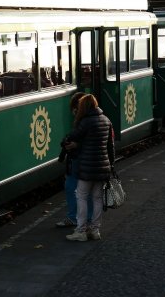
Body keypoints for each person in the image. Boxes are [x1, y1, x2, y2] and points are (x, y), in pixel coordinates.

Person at [64, 94, 114, 242]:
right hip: (102, 166)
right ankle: (95, 230)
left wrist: (70, 142)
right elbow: (110, 146)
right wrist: (111, 165)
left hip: (87, 166)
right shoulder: (106, 120)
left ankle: (80, 231)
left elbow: (71, 137)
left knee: (81, 196)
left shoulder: (85, 122)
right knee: (97, 198)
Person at [56, 92, 93, 228]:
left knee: (72, 187)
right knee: (84, 190)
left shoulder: (84, 121)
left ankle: (75, 218)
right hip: (85, 159)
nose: (73, 112)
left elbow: (92, 139)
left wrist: (76, 144)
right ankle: (86, 218)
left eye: (75, 109)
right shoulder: (94, 118)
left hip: (80, 158)